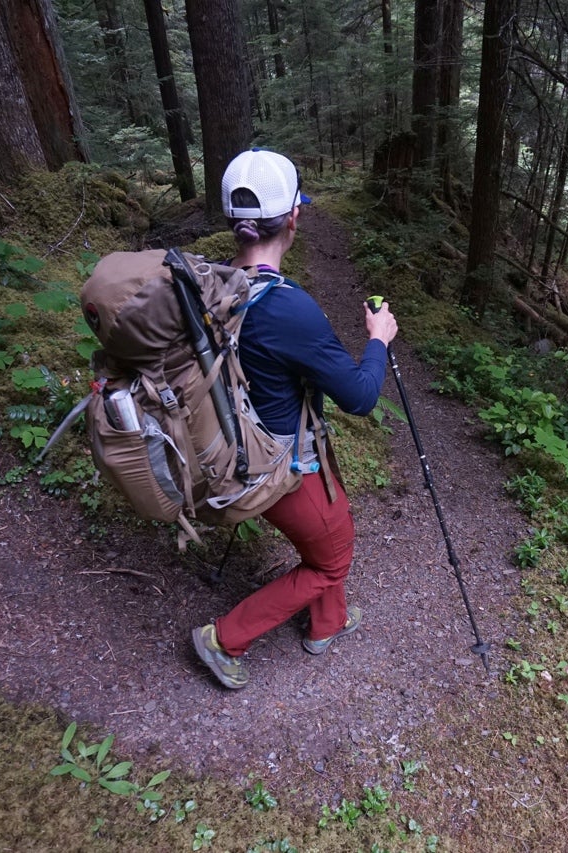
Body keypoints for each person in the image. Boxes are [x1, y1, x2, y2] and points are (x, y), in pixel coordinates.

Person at [191, 148, 398, 689]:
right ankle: (223, 638)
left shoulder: (208, 286)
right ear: (294, 218)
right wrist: (378, 340)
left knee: (329, 537)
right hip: (283, 467)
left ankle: (327, 624)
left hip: (230, 448)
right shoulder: (287, 308)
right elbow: (358, 396)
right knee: (331, 561)